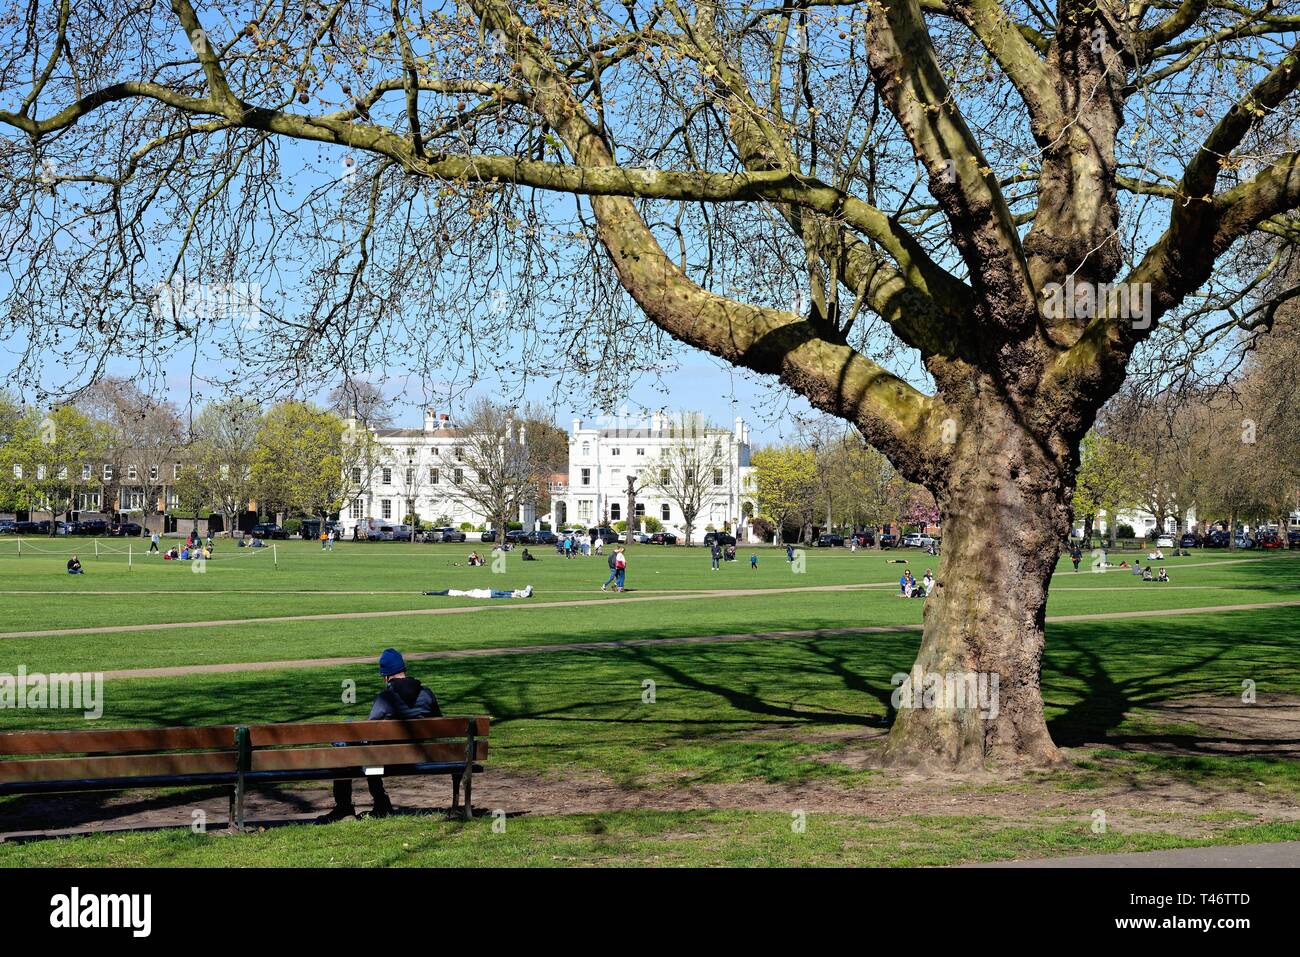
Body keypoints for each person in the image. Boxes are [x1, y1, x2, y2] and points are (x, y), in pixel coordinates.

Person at [318, 649, 442, 823]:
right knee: (371, 751)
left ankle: (345, 807)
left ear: (385, 677)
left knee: (345, 748)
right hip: (420, 756)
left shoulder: (385, 698)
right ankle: (380, 803)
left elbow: (368, 732)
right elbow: (439, 725)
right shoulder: (427, 694)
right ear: (405, 670)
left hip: (387, 758)